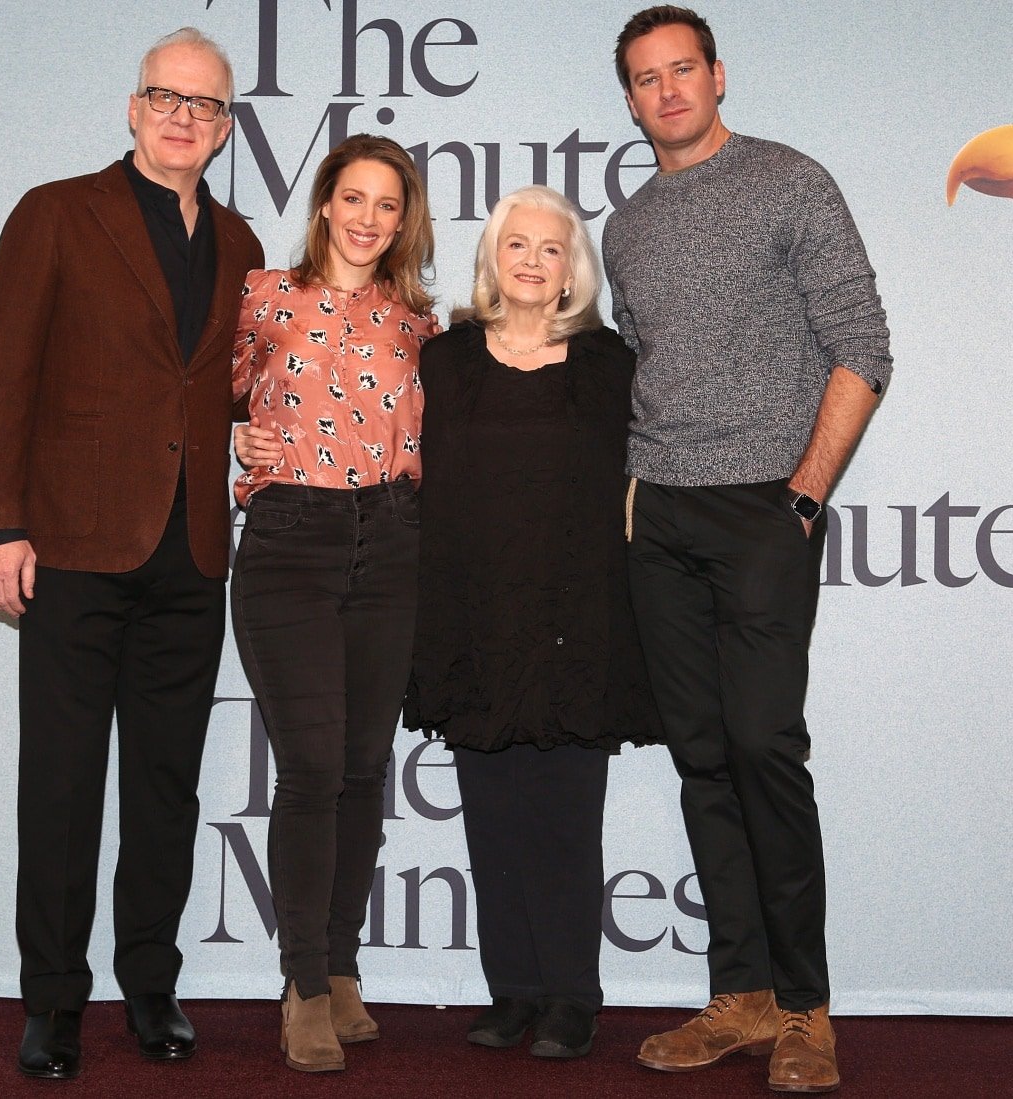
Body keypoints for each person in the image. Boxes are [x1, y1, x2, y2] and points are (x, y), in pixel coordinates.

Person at [0, 28, 263, 1081]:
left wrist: (260, 427)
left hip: (189, 552)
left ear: (227, 128)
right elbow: (2, 372)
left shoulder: (240, 243)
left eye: (209, 105)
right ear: (132, 109)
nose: (186, 117)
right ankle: (50, 1000)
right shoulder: (56, 211)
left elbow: (219, 389)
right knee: (60, 785)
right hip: (72, 548)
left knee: (165, 788)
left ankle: (150, 987)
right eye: (166, 97)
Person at [603, 7, 892, 1093]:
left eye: (684, 69)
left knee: (766, 744)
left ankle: (809, 1006)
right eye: (647, 78)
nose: (668, 90)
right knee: (703, 753)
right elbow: (642, 365)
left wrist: (805, 492)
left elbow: (862, 345)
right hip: (661, 515)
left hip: (766, 506)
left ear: (718, 77)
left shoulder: (791, 181)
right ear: (629, 100)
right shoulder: (625, 227)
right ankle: (743, 995)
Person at [404, 185, 662, 1060]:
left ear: (571, 273)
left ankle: (571, 995)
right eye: (517, 243)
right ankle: (511, 989)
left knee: (563, 819)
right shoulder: (446, 362)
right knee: (493, 823)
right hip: (474, 623)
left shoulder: (608, 365)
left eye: (552, 249)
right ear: (492, 260)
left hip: (575, 625)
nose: (531, 259)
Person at [229, 133, 435, 1073]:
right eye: (353, 198)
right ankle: (303, 983)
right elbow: (190, 398)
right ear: (323, 204)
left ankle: (343, 966)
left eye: (387, 204)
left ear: (405, 220)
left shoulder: (417, 323)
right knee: (310, 768)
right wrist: (239, 436)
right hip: (290, 547)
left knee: (360, 767)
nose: (367, 218)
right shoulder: (263, 297)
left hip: (391, 542)